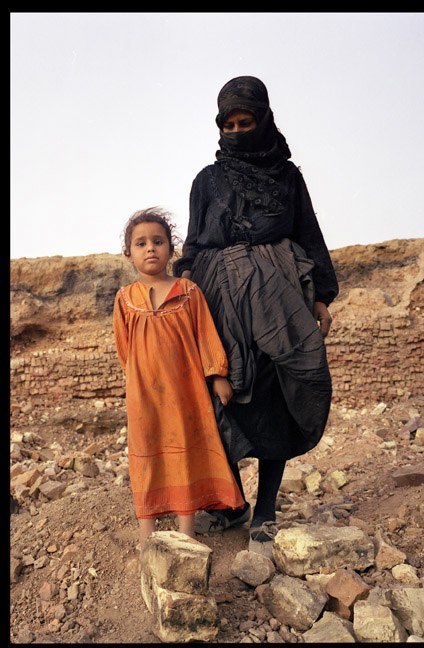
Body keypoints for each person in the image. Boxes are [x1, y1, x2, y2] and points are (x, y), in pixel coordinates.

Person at [173, 75, 339, 557]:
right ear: (219, 126)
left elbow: (309, 232)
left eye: (247, 121)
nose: (238, 130)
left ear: (265, 120)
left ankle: (266, 508)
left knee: (276, 394)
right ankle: (231, 504)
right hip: (218, 298)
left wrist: (321, 296)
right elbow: (194, 243)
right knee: (220, 395)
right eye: (230, 123)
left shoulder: (288, 177)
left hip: (279, 295)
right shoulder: (207, 180)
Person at [112, 207, 245, 550]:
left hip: (186, 392)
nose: (150, 248)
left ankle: (187, 533)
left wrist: (217, 375)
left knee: (185, 451)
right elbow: (124, 349)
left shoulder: (187, 291)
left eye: (158, 241)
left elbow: (205, 335)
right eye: (141, 243)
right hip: (144, 395)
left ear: (171, 249)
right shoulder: (125, 299)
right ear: (129, 253)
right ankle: (147, 536)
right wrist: (142, 381)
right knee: (146, 451)